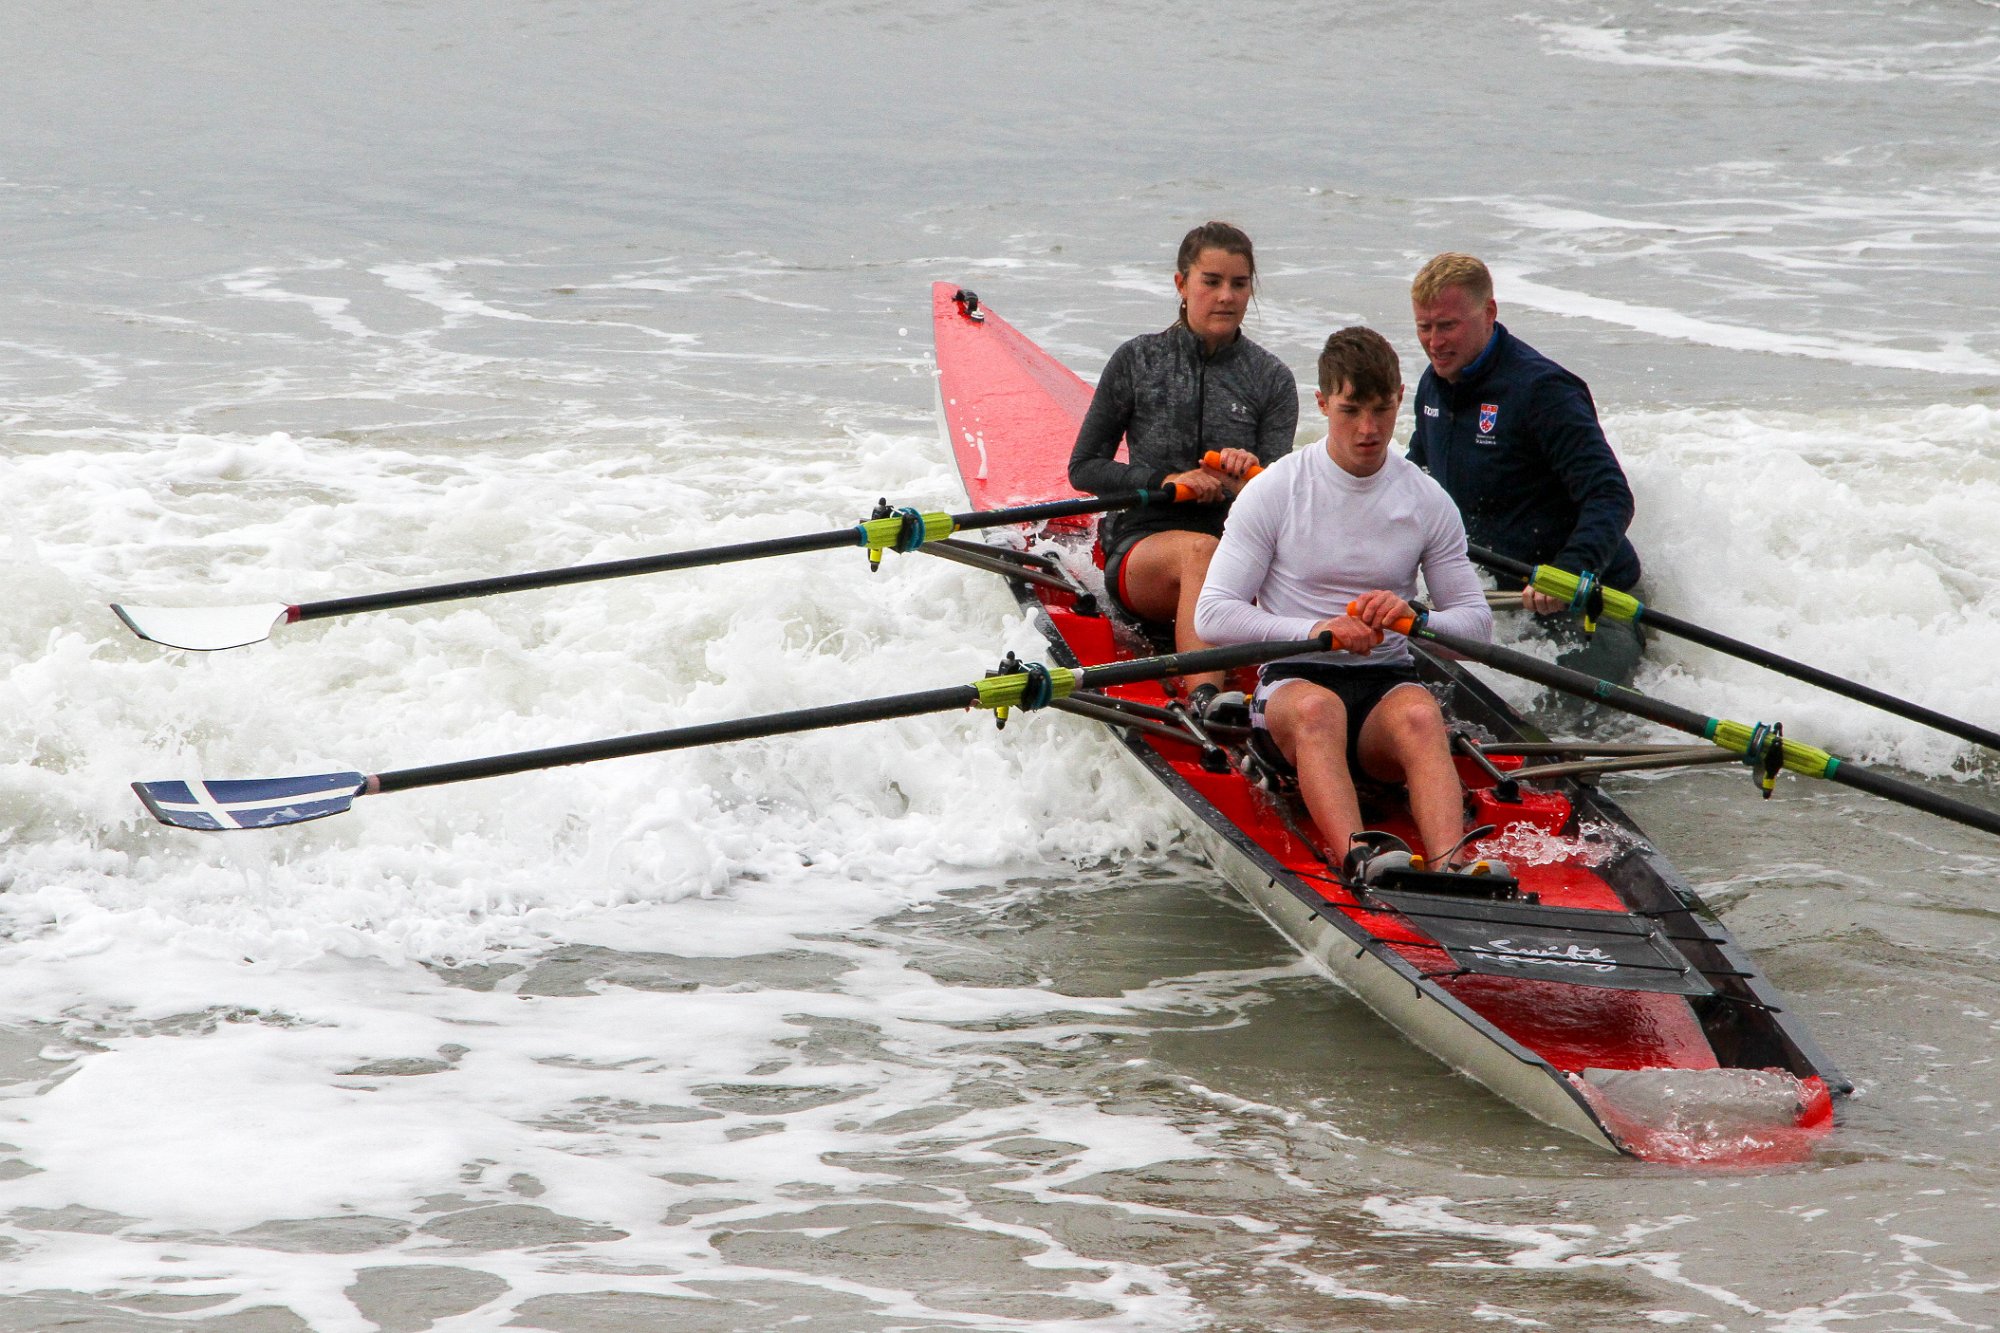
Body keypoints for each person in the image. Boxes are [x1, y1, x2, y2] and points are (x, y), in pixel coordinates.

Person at [1194, 326, 1493, 879]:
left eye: (1382, 409)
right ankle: (1359, 860)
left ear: (1401, 398)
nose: (1369, 429)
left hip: (1384, 686)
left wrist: (1416, 620)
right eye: (1351, 409)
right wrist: (1317, 630)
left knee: (1424, 716)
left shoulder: (1426, 500)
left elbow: (1476, 631)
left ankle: (1453, 867)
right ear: (1323, 403)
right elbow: (1211, 615)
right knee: (1319, 710)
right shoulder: (1276, 489)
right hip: (1293, 684)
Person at [1067, 221, 1299, 711]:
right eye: (1210, 281)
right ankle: (1207, 698)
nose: (1226, 296)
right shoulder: (1137, 360)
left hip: (1243, 555)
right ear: (1181, 284)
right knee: (1200, 550)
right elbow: (1085, 468)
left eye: (1239, 284)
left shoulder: (1272, 379)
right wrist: (1164, 481)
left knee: (1223, 549)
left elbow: (1284, 501)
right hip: (1144, 551)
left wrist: (1249, 480)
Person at [1406, 253, 1645, 683]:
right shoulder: (1434, 383)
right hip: (1499, 601)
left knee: (1559, 721)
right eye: (1424, 327)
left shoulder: (1543, 391)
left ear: (1489, 313)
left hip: (1590, 602)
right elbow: (1413, 481)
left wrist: (1569, 572)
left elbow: (1610, 495)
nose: (1434, 342)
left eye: (1447, 326)